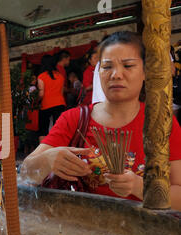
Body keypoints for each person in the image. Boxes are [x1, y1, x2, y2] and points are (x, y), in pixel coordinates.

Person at [20, 31, 181, 211]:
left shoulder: (161, 124)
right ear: (99, 73)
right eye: (107, 67)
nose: (116, 75)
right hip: (85, 229)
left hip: (142, 234)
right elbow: (26, 173)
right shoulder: (74, 119)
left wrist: (139, 187)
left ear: (145, 72)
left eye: (128, 66)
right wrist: (48, 160)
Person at [37, 54, 66, 142]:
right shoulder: (60, 76)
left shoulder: (41, 76)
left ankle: (43, 153)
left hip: (46, 105)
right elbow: (61, 93)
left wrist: (36, 101)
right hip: (60, 104)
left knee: (43, 130)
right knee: (58, 130)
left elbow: (41, 94)